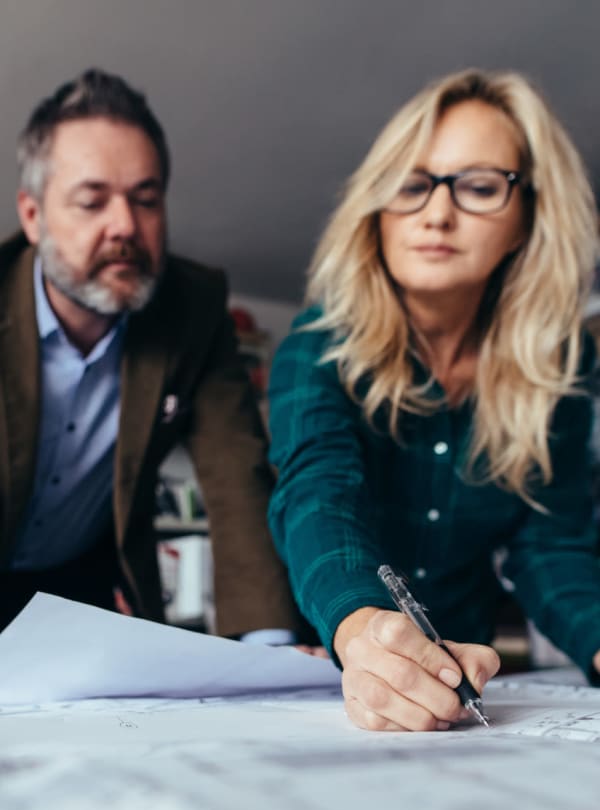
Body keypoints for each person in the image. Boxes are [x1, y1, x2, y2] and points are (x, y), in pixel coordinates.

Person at [268, 68, 600, 731]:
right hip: (336, 673)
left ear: (529, 215)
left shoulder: (561, 365)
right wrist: (364, 630)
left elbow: (550, 544)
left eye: (478, 186)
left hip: (470, 686)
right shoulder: (317, 343)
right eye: (412, 184)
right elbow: (318, 495)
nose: (436, 213)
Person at [0, 67, 302, 642]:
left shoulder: (193, 308)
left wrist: (269, 652)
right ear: (33, 216)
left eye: (146, 199)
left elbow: (237, 475)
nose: (125, 227)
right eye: (92, 202)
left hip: (77, 593)